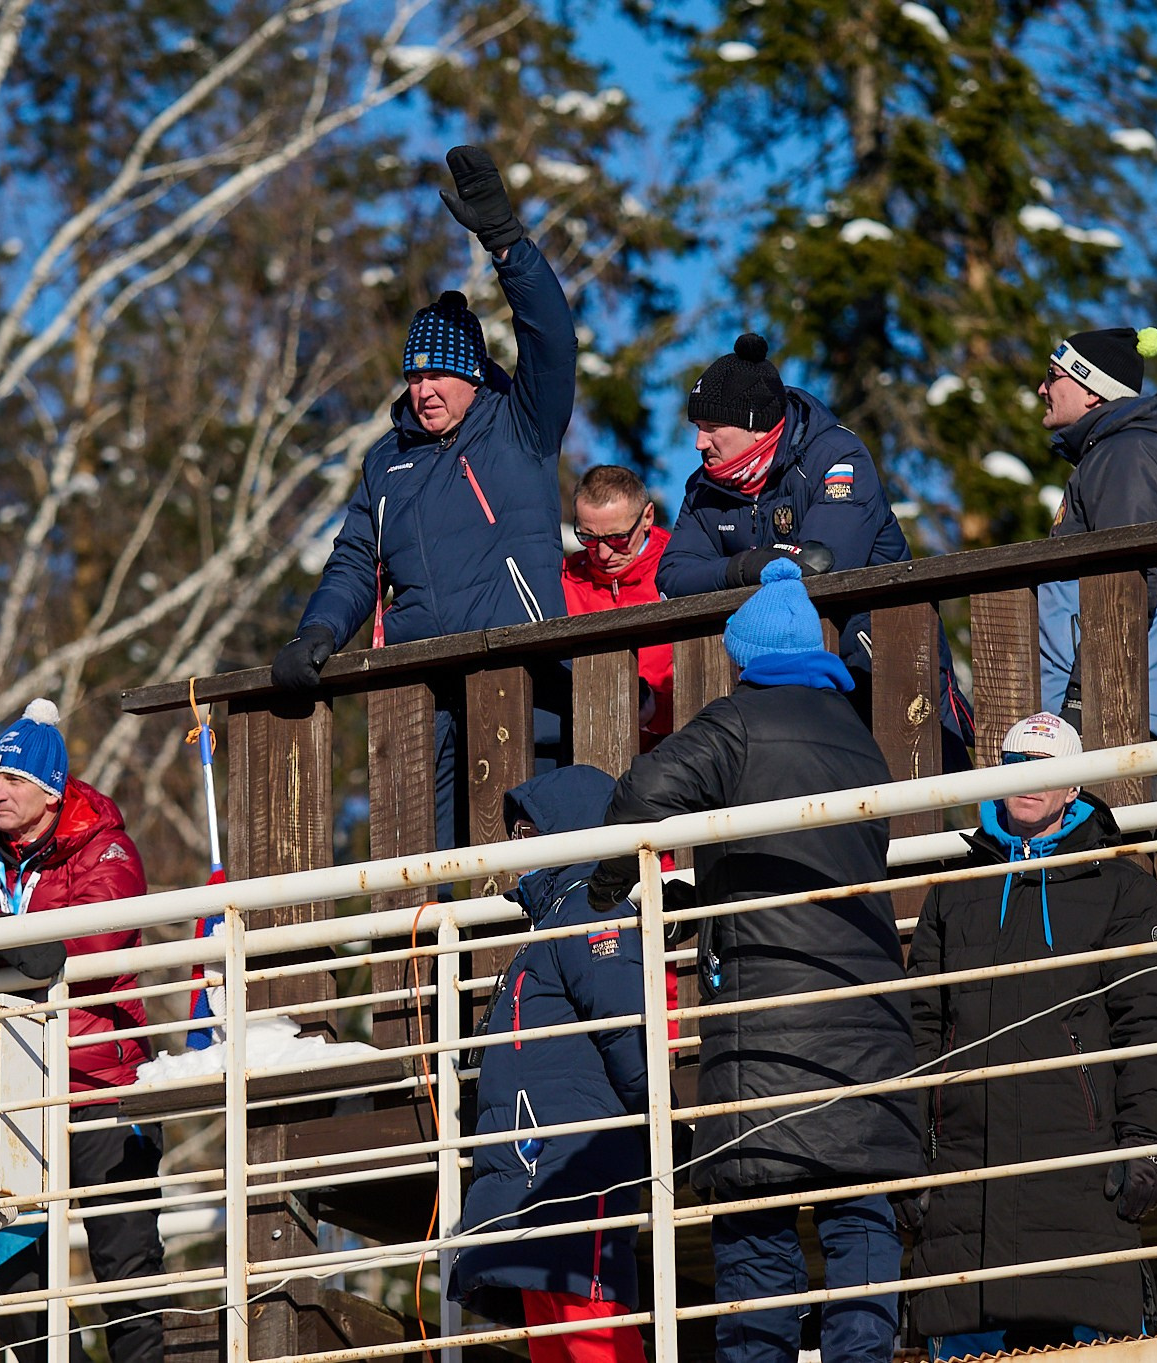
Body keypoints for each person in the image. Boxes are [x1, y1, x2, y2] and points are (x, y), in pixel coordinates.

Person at [592, 558, 924, 1363]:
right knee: (860, 1213)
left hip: (765, 1017)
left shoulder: (738, 722)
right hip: (868, 1012)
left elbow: (642, 793)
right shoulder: (859, 738)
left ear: (746, 658)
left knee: (756, 1222)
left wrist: (610, 882)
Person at [272, 144, 576, 848]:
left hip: (526, 679)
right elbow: (354, 562)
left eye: (440, 374)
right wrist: (317, 632)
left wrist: (505, 242)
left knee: (529, 858)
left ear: (474, 375)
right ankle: (426, 961)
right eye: (414, 375)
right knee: (424, 862)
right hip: (421, 693)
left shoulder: (521, 425)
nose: (424, 389)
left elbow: (553, 338)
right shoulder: (387, 464)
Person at [905, 713, 1157, 1354]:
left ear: (1074, 786)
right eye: (1016, 763)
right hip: (965, 1181)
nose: (1029, 780)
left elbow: (1145, 1020)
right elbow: (919, 1031)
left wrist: (1144, 1141)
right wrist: (907, 1158)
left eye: (1046, 767)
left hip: (1078, 1176)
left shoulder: (1120, 885)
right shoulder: (955, 889)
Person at [0, 700, 162, 1363]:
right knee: (7, 1283)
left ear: (50, 790)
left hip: (101, 1086)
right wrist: (5, 951)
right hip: (10, 1098)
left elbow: (100, 929)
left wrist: (3, 949)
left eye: (11, 780)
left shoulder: (106, 845)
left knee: (126, 1272)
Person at [657, 333, 972, 763]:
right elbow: (674, 573)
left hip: (882, 663)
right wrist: (751, 565)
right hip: (775, 686)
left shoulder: (837, 457)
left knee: (922, 798)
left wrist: (746, 567)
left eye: (712, 429)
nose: (699, 444)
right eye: (696, 429)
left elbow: (820, 566)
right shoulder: (704, 486)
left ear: (755, 425)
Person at [449, 766, 648, 1363]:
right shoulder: (547, 926)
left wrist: (656, 1110)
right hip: (532, 1174)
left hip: (571, 1169)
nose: (520, 849)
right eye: (517, 834)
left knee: (592, 1333)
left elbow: (623, 1025)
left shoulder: (588, 909)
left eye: (534, 831)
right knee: (556, 1337)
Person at [1034, 326, 1157, 739]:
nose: (1041, 388)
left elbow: (1128, 584)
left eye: (1053, 376)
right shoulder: (1114, 453)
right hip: (1108, 713)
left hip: (1119, 716)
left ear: (1091, 391)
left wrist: (1083, 697)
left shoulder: (1128, 453)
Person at [562, 465, 674, 746]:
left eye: (618, 538)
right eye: (587, 537)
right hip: (589, 748)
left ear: (647, 517)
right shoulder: (564, 580)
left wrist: (656, 712)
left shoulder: (680, 571)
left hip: (678, 747)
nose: (602, 553)